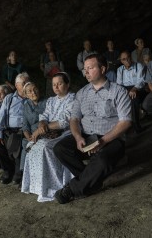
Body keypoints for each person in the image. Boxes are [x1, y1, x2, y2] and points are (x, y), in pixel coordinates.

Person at [53, 54, 132, 204]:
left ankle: (72, 189)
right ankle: (91, 181)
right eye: (85, 69)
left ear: (103, 69)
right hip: (87, 136)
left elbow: (126, 122)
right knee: (60, 148)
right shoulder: (82, 93)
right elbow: (74, 119)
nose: (86, 72)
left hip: (111, 139)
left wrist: (102, 141)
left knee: (102, 160)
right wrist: (77, 137)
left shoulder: (119, 91)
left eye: (90, 68)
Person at [22, 73, 75, 202]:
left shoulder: (73, 98)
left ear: (67, 84)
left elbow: (64, 121)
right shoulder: (51, 100)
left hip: (66, 132)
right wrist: (41, 124)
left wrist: (42, 129)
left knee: (45, 147)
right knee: (32, 146)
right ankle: (38, 186)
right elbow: (44, 116)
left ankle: (54, 186)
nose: (56, 87)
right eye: (53, 84)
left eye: (60, 83)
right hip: (49, 132)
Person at [0, 72, 29, 184]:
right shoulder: (9, 98)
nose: (27, 85)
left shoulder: (32, 97)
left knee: (20, 146)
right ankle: (8, 170)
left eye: (28, 82)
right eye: (24, 83)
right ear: (16, 85)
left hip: (23, 132)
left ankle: (19, 172)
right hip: (8, 131)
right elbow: (0, 118)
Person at [20, 82, 47, 173]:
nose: (33, 93)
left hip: (44, 132)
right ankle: (23, 173)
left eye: (35, 89)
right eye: (30, 91)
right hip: (32, 136)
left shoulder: (47, 101)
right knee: (26, 144)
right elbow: (25, 126)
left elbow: (49, 120)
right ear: (26, 95)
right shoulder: (26, 105)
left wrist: (38, 133)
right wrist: (29, 137)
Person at [117, 51, 146, 133]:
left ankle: (136, 126)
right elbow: (119, 84)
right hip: (125, 89)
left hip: (138, 88)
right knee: (120, 100)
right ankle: (122, 126)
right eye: (124, 59)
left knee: (133, 99)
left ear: (131, 57)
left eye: (128, 57)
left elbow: (141, 81)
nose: (127, 60)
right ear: (121, 61)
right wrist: (126, 92)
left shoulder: (138, 65)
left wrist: (134, 88)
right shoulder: (119, 70)